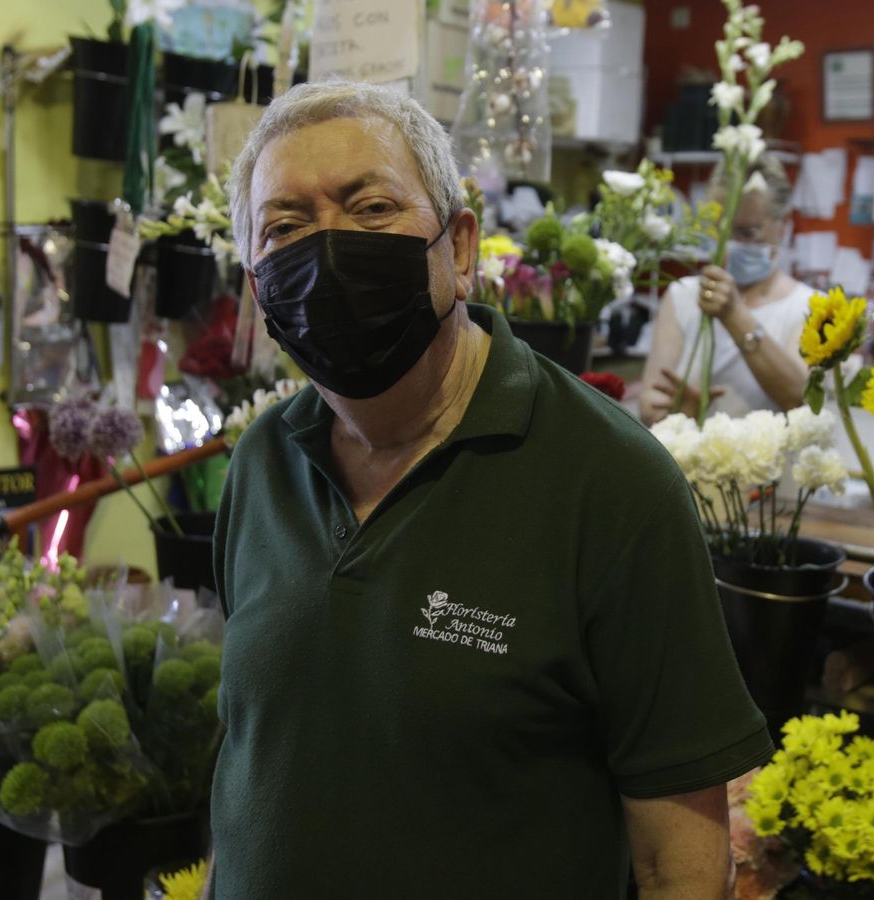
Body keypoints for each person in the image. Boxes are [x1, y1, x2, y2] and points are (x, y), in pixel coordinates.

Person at [209, 81, 772, 899]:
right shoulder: (262, 462)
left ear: (461, 247)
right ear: (259, 289)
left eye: (371, 208)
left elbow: (675, 862)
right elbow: (251, 757)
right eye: (286, 227)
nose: (328, 250)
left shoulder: (612, 483)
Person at [638, 156, 815, 425]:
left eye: (747, 233)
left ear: (783, 226)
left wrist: (734, 315)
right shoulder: (682, 296)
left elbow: (798, 399)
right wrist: (680, 414)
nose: (732, 245)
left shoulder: (809, 307)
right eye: (721, 233)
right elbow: (649, 409)